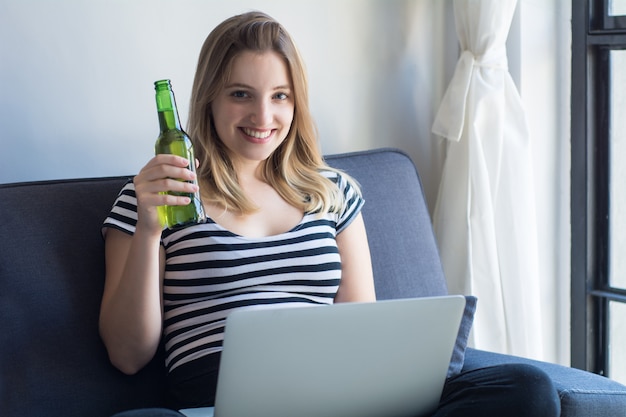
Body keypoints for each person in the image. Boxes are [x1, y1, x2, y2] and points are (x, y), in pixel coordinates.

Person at [100, 10, 560, 417]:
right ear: (209, 99)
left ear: (297, 102)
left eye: (280, 96)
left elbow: (360, 326)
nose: (263, 115)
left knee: (525, 388)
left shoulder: (332, 192)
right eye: (241, 94)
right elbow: (127, 354)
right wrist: (147, 230)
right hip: (216, 401)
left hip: (332, 396)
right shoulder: (156, 196)